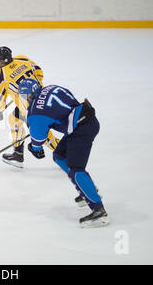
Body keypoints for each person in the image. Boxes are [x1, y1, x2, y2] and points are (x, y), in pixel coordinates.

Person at [17, 79, 109, 227]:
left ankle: (99, 211)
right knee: (60, 155)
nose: (25, 99)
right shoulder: (51, 87)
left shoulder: (35, 113)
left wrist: (35, 148)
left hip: (81, 130)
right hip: (87, 119)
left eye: (25, 96)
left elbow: (38, 140)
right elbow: (68, 104)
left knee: (75, 169)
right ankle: (87, 188)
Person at [0, 46, 59, 168]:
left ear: (3, 61)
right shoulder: (22, 59)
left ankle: (65, 154)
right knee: (14, 120)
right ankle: (18, 154)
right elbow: (39, 73)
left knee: (42, 132)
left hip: (29, 107)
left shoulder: (0, 75)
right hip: (44, 95)